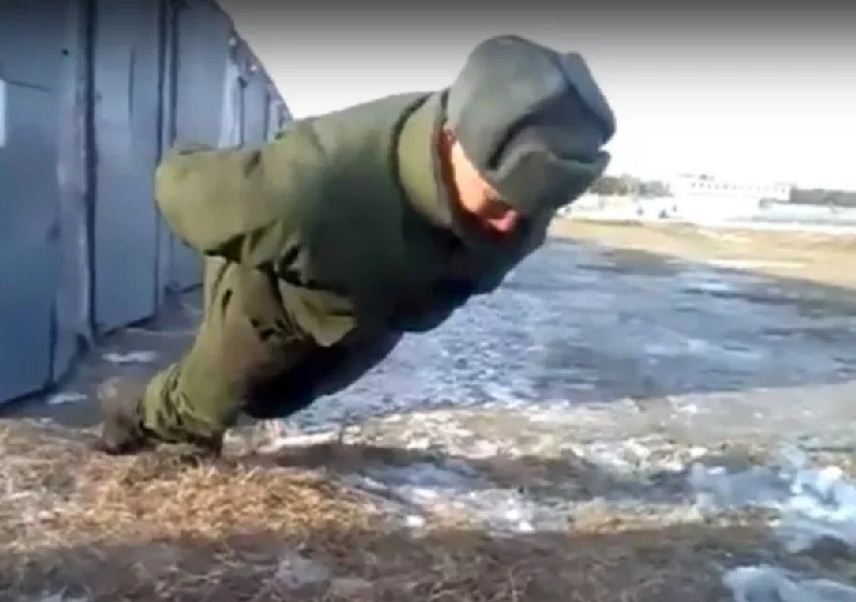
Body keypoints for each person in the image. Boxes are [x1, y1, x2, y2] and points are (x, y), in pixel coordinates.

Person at [97, 34, 616, 455]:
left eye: (533, 210)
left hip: (366, 319)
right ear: (452, 140)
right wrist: (189, 154)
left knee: (276, 401)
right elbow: (183, 186)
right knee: (204, 402)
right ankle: (132, 415)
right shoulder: (314, 187)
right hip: (273, 302)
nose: (511, 227)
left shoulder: (523, 201)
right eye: (498, 201)